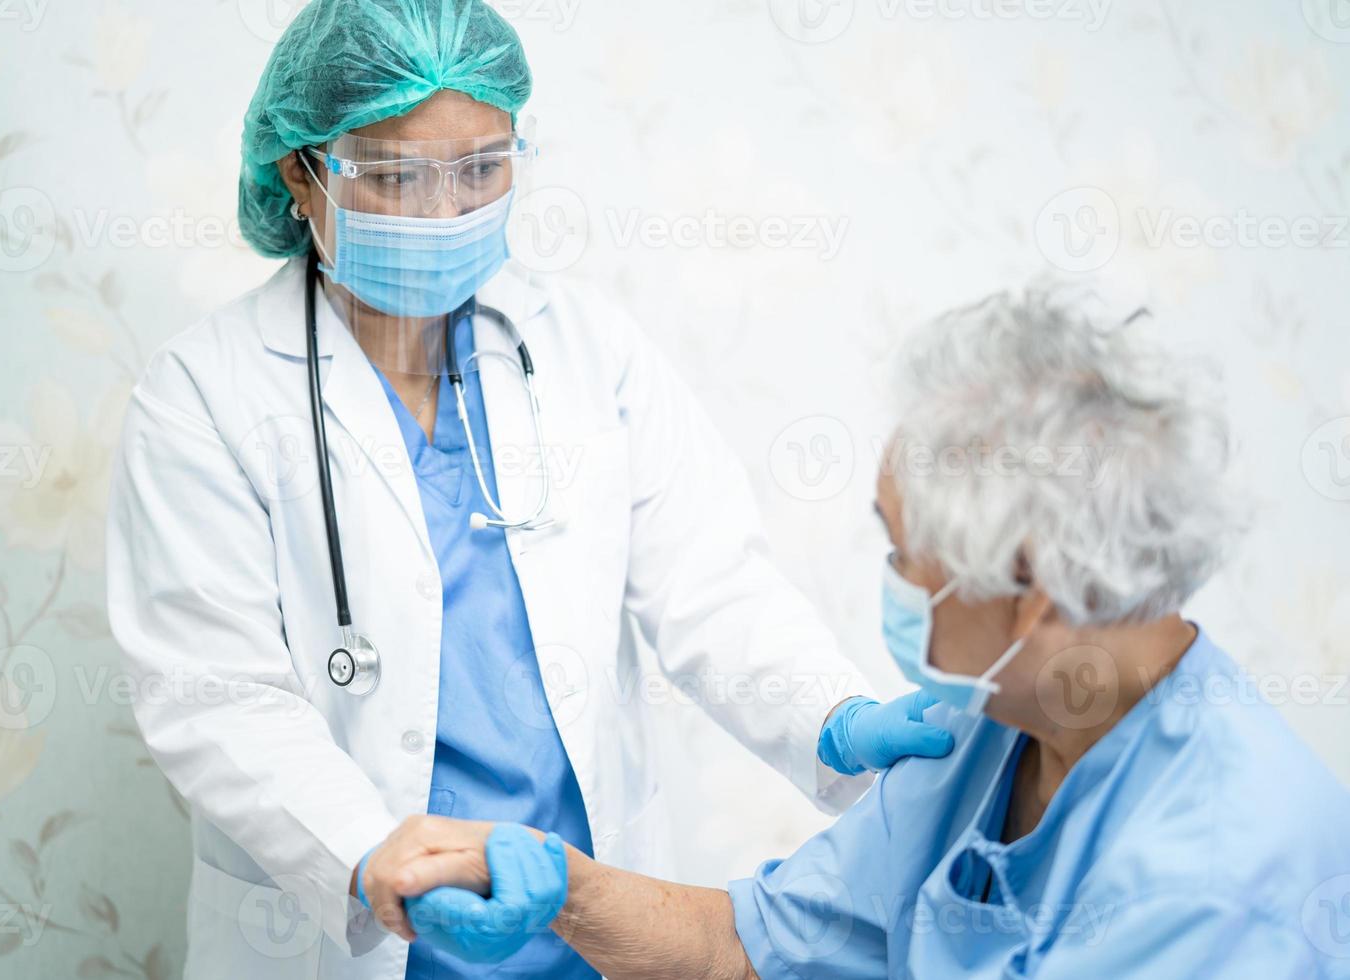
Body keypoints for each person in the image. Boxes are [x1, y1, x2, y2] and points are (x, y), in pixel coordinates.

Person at [104, 2, 951, 978]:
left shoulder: (588, 348)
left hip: (588, 920)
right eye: (394, 175)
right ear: (301, 170)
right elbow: (218, 692)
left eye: (480, 167)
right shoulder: (205, 393)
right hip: (354, 929)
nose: (446, 210)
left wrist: (836, 715)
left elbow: (717, 593)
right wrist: (364, 854)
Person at [371, 287, 1350, 977]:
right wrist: (565, 891)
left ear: (1036, 592)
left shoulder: (1225, 881)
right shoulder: (995, 728)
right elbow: (746, 948)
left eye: (903, 553)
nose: (889, 582)